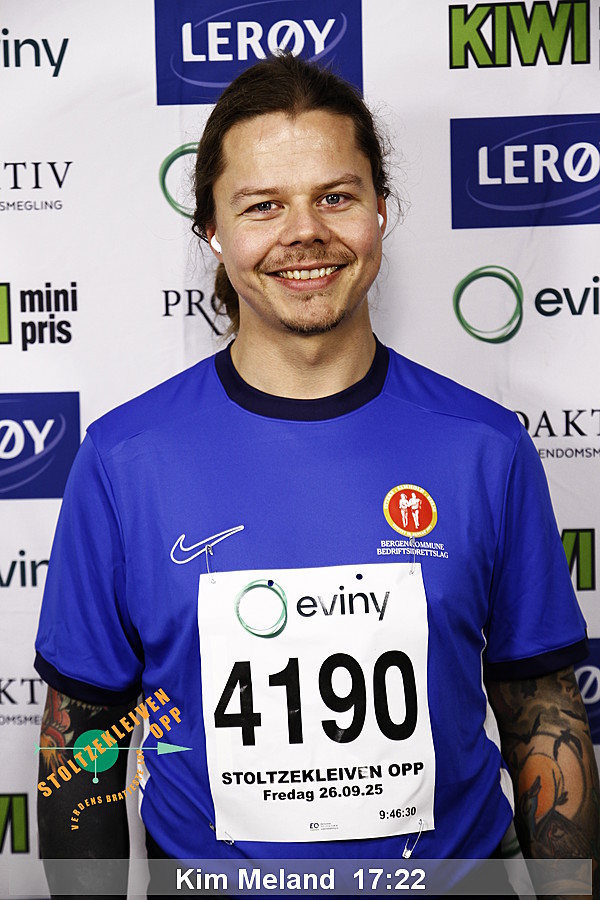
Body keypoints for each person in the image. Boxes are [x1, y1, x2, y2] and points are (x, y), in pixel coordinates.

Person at [35, 53, 598, 897]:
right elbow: (82, 744)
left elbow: (541, 709)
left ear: (380, 210)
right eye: (263, 205)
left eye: (336, 197)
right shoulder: (123, 460)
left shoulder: (485, 445)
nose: (304, 231)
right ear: (212, 230)